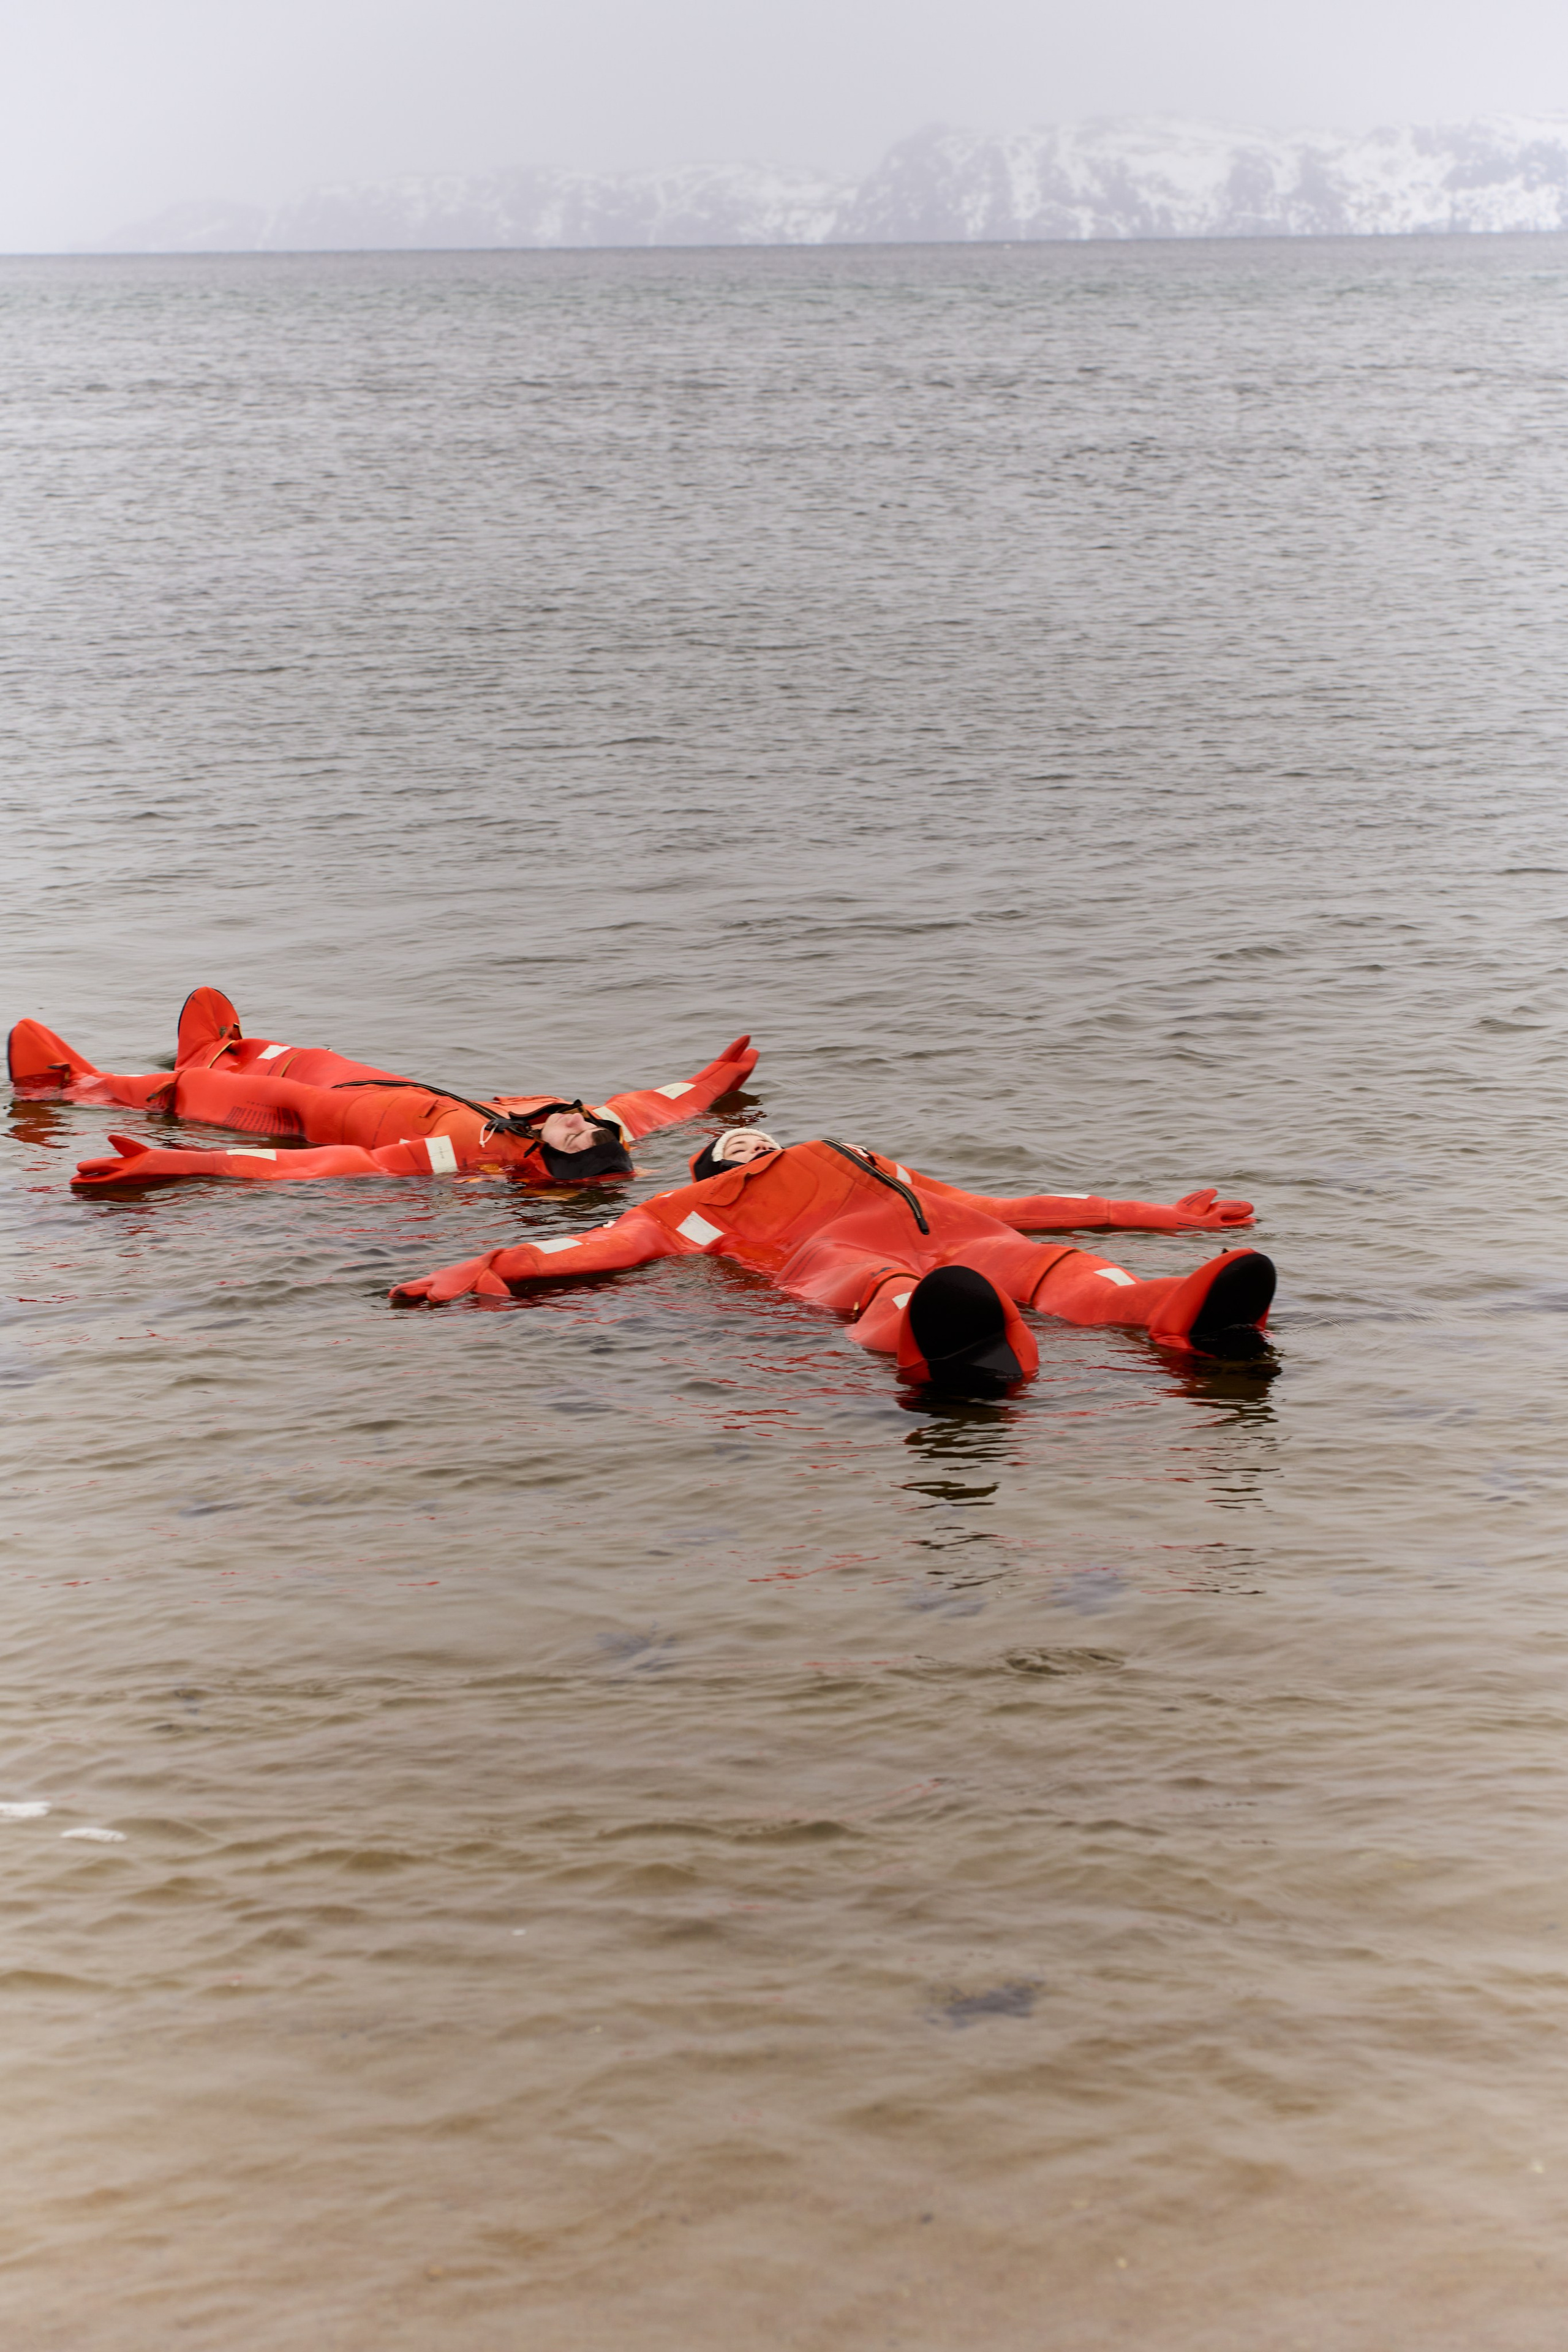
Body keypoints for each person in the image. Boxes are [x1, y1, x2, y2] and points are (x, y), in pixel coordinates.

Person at [387, 1127, 1275, 1390]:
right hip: (835, 1260)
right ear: (709, 1168)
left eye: (755, 1135)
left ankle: (1173, 1310)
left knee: (1058, 1265)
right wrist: (499, 1259)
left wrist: (1163, 1217)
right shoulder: (684, 1206)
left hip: (963, 1242)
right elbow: (604, 1244)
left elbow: (1010, 1205)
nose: (749, 1144)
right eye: (730, 1145)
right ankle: (937, 1342)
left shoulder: (869, 1160)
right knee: (884, 1290)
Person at [14, 989, 760, 1188]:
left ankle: (73, 1085)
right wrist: (712, 1080)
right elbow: (653, 1109)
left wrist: (175, 1163)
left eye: (576, 1134)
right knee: (305, 1054)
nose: (580, 1119)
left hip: (312, 1117)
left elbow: (318, 1167)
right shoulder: (595, 1130)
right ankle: (226, 1046)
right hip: (374, 1081)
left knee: (198, 1093)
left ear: (545, 1167)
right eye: (585, 1124)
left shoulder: (453, 1161)